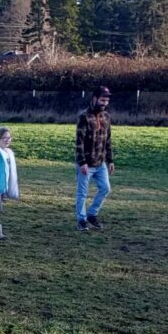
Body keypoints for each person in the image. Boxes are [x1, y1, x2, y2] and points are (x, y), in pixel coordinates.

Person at [74, 86, 114, 231]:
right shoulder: (84, 116)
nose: (105, 103)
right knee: (82, 193)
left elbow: (108, 140)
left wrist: (110, 160)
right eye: (103, 99)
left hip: (100, 163)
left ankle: (92, 214)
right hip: (85, 164)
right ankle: (81, 220)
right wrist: (82, 162)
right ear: (95, 98)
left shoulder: (107, 117)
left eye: (107, 100)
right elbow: (79, 141)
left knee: (105, 188)